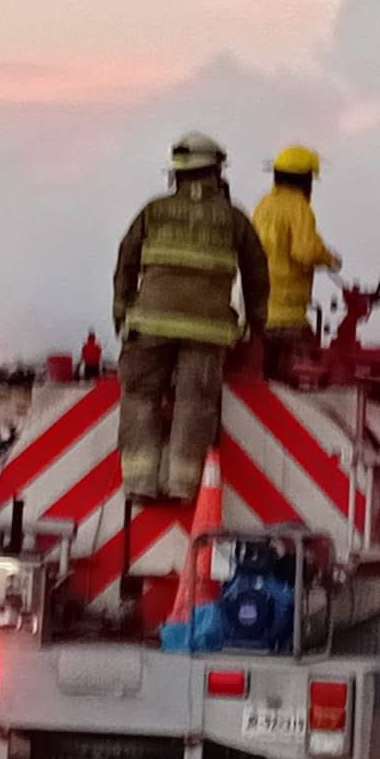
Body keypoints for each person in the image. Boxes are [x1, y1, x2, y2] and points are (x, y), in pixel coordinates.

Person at [112, 132, 269, 501]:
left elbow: (126, 261)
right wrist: (256, 326)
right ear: (216, 173)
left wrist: (122, 312)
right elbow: (257, 274)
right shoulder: (233, 220)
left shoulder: (153, 212)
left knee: (140, 397)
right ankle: (183, 484)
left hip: (149, 325)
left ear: (177, 175)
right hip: (209, 332)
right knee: (194, 403)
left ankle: (139, 483)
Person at [251, 145, 340, 363]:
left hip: (257, 312)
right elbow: (305, 251)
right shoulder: (299, 208)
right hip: (288, 318)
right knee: (311, 376)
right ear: (306, 180)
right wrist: (330, 259)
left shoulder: (264, 205)